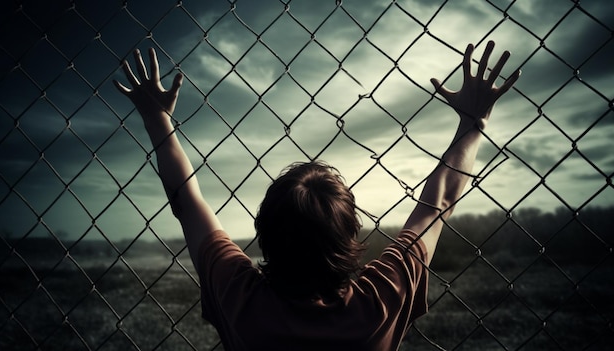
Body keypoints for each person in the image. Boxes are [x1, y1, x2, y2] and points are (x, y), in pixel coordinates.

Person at [114, 40, 520, 350]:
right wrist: (473, 122)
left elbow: (187, 201)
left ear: (264, 233)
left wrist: (157, 119)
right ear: (351, 236)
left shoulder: (241, 299)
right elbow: (440, 201)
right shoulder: (378, 302)